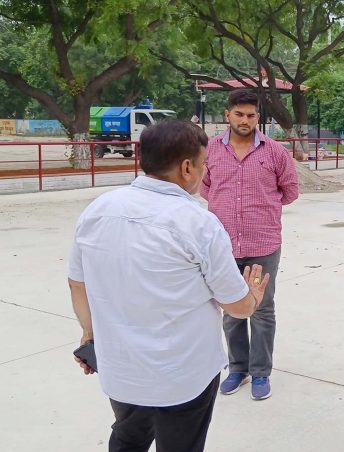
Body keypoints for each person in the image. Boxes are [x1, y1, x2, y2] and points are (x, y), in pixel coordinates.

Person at [68, 119, 270, 452]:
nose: (205, 173)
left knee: (128, 438)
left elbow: (78, 284)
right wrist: (253, 298)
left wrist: (89, 335)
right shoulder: (198, 224)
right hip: (182, 376)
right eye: (204, 164)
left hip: (121, 369)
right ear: (187, 167)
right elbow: (236, 306)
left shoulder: (98, 210)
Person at [201, 89, 299, 400]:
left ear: (259, 118)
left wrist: (263, 207)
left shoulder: (275, 152)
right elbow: (205, 188)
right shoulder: (209, 150)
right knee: (231, 308)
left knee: (261, 309)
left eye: (251, 115)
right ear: (227, 114)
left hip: (262, 243)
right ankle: (238, 370)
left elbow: (290, 191)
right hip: (224, 245)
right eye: (239, 114)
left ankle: (261, 373)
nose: (245, 120)